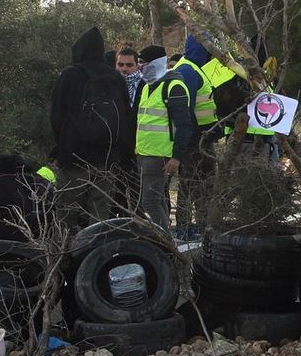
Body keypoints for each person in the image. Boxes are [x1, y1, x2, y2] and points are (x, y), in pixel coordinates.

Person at [50, 27, 132, 226]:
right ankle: (97, 246)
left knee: (67, 214)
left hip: (74, 156)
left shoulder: (69, 75)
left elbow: (56, 116)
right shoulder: (116, 78)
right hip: (107, 158)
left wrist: (60, 147)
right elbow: (126, 117)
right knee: (100, 216)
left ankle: (63, 246)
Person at [133, 45, 194, 232]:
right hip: (144, 153)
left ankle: (164, 240)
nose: (140, 67)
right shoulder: (147, 87)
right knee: (157, 199)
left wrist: (176, 157)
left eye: (143, 63)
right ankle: (166, 239)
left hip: (160, 154)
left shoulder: (174, 87)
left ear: (155, 63)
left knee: (150, 201)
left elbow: (184, 125)